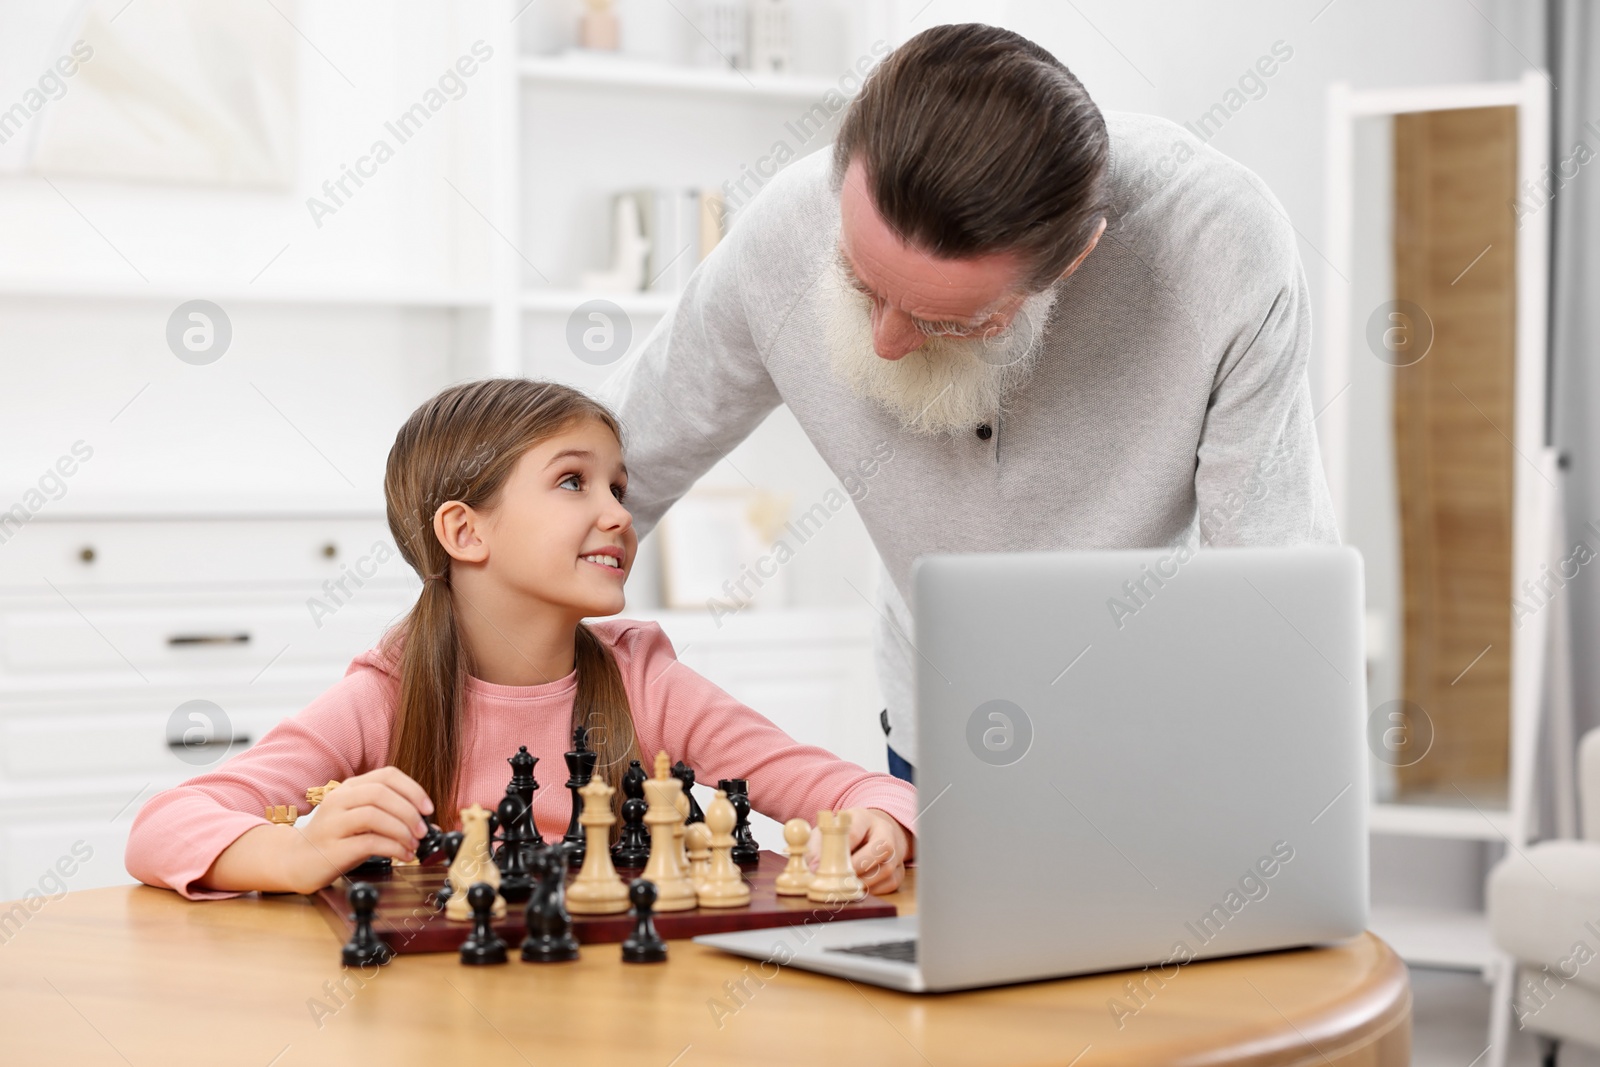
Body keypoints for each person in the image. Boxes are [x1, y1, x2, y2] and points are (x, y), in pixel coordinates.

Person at [604, 24, 1338, 783]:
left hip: (1155, 734)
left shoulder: (1221, 245)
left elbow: (1272, 577)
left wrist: (1283, 817)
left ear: (1073, 261)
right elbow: (614, 470)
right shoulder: (786, 230)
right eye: (861, 283)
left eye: (946, 319)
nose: (887, 341)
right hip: (936, 725)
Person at [125, 379, 915, 899]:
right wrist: (296, 852)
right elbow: (163, 825)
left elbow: (855, 790)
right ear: (465, 531)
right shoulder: (386, 695)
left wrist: (882, 824)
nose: (616, 513)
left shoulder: (644, 682)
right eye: (574, 481)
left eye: (617, 485)